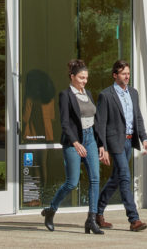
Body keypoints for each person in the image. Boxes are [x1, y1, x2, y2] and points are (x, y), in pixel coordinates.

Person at [41, 59, 105, 235]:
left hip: (91, 138)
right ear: (72, 77)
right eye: (81, 77)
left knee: (94, 179)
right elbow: (65, 123)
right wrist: (76, 143)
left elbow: (95, 121)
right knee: (72, 182)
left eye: (86, 78)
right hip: (73, 141)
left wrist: (100, 144)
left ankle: (91, 220)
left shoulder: (88, 94)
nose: (84, 81)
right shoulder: (65, 95)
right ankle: (51, 211)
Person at [94, 60, 147, 231]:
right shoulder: (106, 95)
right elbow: (100, 123)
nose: (127, 76)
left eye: (128, 73)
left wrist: (144, 138)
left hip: (129, 140)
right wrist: (101, 146)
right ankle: (134, 219)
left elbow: (137, 117)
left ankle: (97, 212)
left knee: (116, 179)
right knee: (125, 176)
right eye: (123, 73)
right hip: (114, 142)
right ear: (115, 75)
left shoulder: (133, 92)